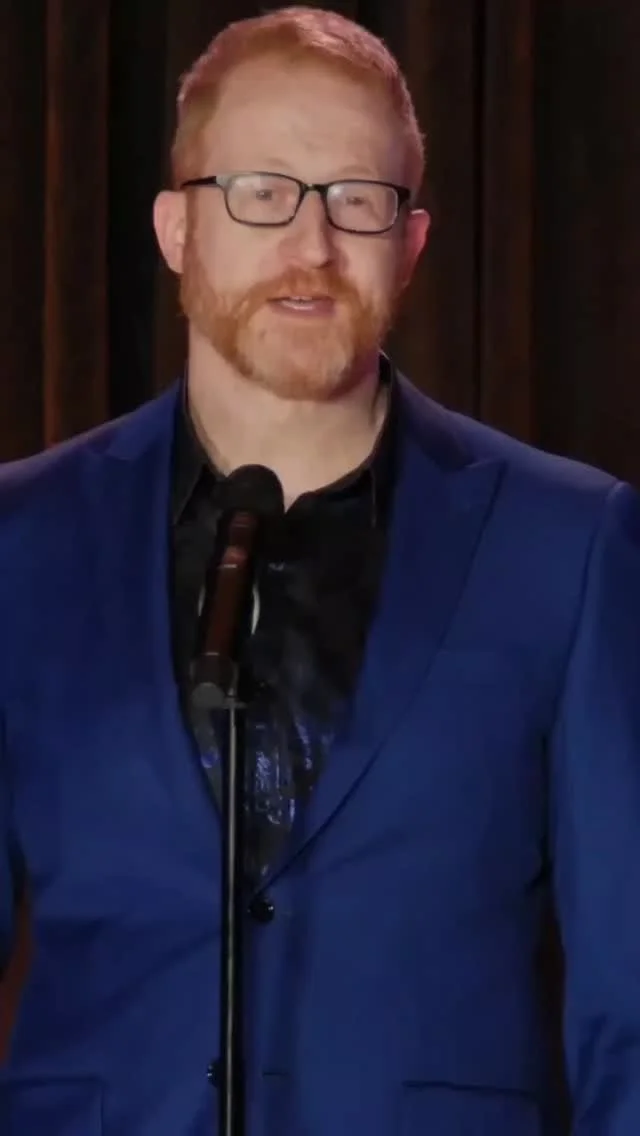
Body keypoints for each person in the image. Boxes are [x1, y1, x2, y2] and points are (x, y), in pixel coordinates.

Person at [1, 5, 639, 1134]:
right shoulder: (23, 539)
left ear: (413, 242)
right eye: (262, 192)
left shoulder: (571, 545)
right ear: (176, 229)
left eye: (357, 199)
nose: (312, 246)